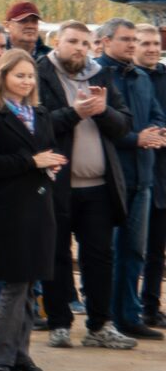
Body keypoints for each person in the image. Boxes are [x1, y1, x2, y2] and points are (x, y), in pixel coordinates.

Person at [36, 21, 132, 348]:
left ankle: (100, 325)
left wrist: (103, 112)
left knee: (99, 257)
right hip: (56, 184)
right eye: (72, 41)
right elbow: (38, 126)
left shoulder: (100, 75)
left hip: (98, 187)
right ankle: (59, 323)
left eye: (85, 43)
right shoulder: (40, 73)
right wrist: (75, 113)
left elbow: (123, 125)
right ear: (57, 43)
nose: (79, 48)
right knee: (55, 255)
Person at [0, 50, 62, 371]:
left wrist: (51, 165)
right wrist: (31, 162)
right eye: (19, 76)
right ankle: (1, 356)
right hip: (7, 208)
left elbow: (48, 151)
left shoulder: (40, 113)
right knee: (14, 285)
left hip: (39, 204)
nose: (26, 82)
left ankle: (21, 354)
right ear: (3, 77)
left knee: (30, 285)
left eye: (30, 76)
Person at [93, 18, 166, 341]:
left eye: (135, 39)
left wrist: (155, 133)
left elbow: (157, 113)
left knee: (134, 250)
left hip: (143, 174)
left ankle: (129, 315)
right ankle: (104, 318)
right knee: (106, 250)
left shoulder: (141, 78)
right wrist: (136, 138)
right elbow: (101, 125)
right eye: (126, 39)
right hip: (111, 175)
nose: (133, 45)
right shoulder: (96, 75)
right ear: (106, 41)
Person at [137, 24, 166, 328]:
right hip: (138, 172)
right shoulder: (130, 79)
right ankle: (125, 307)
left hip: (162, 176)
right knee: (131, 248)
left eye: (155, 43)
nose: (151, 48)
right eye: (145, 43)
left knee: (156, 250)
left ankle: (151, 306)